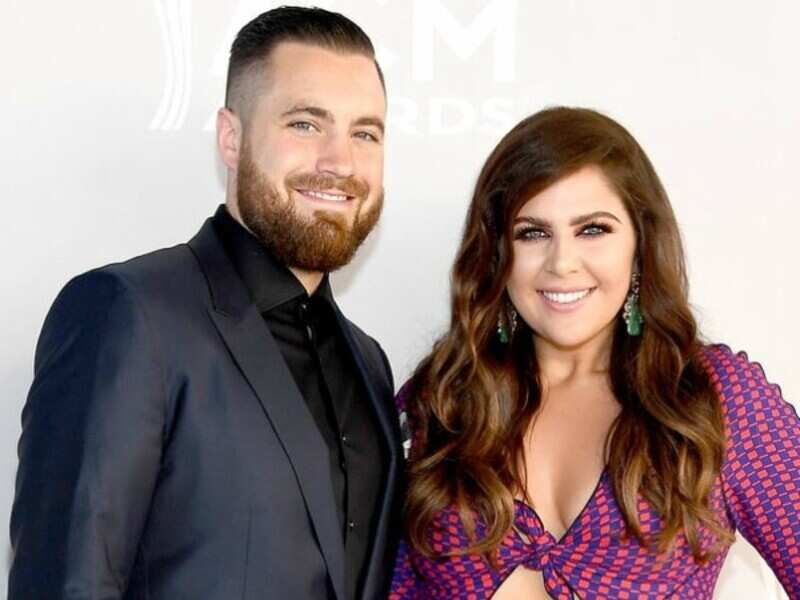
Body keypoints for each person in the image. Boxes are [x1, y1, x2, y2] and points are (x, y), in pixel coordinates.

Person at [9, 7, 403, 600]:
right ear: (231, 138)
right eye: (304, 124)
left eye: (365, 134)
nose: (340, 162)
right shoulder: (129, 316)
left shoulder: (369, 364)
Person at [389, 107, 800, 599]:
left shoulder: (713, 398)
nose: (562, 262)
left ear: (639, 244)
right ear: (497, 254)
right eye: (532, 233)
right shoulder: (443, 403)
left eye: (593, 229)